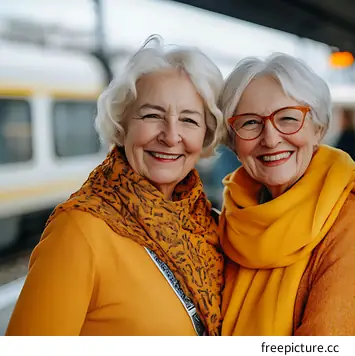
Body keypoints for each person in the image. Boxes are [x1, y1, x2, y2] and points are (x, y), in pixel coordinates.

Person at [6, 35, 225, 336]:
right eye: (152, 115)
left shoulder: (209, 225)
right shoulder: (79, 231)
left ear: (205, 136)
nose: (171, 136)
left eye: (189, 120)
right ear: (122, 127)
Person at [216, 53, 355, 336]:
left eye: (287, 118)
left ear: (318, 129)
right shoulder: (230, 219)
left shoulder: (352, 224)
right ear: (233, 141)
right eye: (250, 123)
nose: (270, 139)